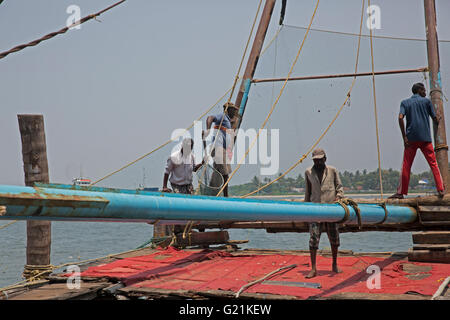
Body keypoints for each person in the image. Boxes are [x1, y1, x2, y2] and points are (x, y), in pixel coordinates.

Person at [389, 82, 445, 199]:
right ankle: (440, 189)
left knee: (406, 165)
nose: (425, 92)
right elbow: (435, 119)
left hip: (411, 139)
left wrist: (404, 137)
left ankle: (401, 193)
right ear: (419, 90)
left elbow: (400, 118)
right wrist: (438, 117)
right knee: (433, 164)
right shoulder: (427, 102)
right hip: (425, 138)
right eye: (424, 90)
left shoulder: (405, 102)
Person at [304, 148, 344, 279]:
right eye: (315, 160)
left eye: (320, 160)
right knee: (313, 239)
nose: (318, 163)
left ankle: (334, 264)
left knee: (334, 238)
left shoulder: (332, 171)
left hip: (331, 209)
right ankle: (314, 268)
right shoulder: (308, 172)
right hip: (315, 210)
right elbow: (307, 192)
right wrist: (305, 210)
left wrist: (338, 198)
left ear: (325, 159)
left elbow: (339, 188)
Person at [202, 102, 238, 197]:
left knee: (218, 173)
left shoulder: (228, 121)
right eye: (233, 110)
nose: (234, 112)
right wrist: (208, 130)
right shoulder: (222, 116)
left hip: (223, 150)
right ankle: (226, 196)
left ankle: (210, 193)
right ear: (228, 110)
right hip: (218, 148)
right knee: (224, 173)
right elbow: (210, 118)